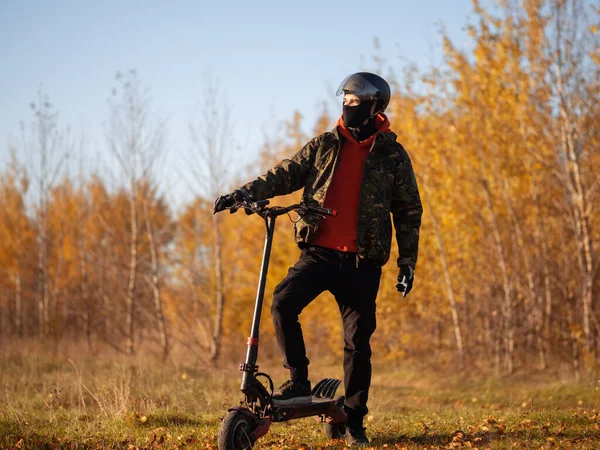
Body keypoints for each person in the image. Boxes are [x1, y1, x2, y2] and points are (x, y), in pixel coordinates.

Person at [214, 72, 423, 447]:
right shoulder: (325, 145)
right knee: (282, 302)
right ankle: (299, 379)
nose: (347, 107)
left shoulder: (392, 155)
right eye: (344, 99)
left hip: (362, 263)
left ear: (376, 106)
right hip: (319, 253)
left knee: (357, 344)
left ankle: (355, 422)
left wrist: (407, 262)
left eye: (355, 102)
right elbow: (285, 173)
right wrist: (242, 193)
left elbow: (408, 211)